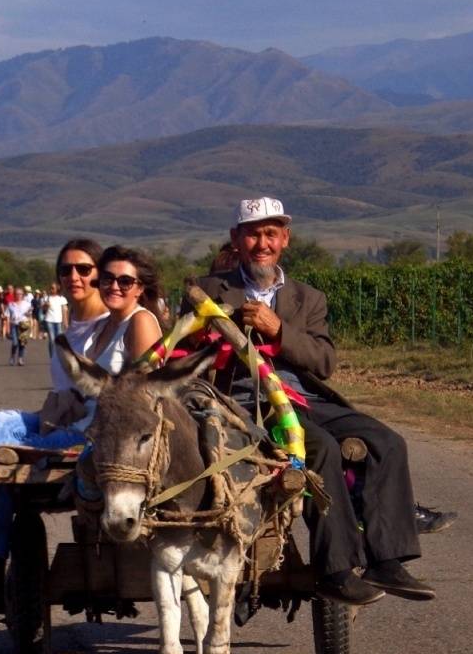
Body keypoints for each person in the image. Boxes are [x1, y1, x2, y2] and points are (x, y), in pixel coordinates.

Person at [186, 196, 436, 605]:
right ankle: (335, 570)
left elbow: (323, 362)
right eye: (252, 234)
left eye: (270, 234)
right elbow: (191, 350)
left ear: (285, 239)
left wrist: (279, 330)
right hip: (245, 403)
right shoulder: (209, 289)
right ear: (236, 238)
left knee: (388, 443)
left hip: (302, 397)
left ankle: (386, 560)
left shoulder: (307, 298)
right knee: (320, 449)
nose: (261, 243)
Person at [0, 241, 160, 632]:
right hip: (80, 427)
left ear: (140, 285)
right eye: (107, 277)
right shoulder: (102, 325)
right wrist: (65, 404)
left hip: (106, 442)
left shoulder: (137, 321)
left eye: (120, 279)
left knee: (2, 460)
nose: (109, 284)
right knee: (4, 430)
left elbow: (140, 394)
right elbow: (82, 391)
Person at [42, 282, 68, 359]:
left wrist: (65, 321)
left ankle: (58, 356)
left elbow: (64, 310)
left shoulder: (62, 299)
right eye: (51, 288)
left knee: (59, 340)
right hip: (49, 320)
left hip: (58, 321)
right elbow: (43, 309)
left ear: (57, 289)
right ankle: (52, 357)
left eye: (53, 288)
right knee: (52, 339)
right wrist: (45, 305)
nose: (51, 289)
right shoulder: (47, 298)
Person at [6, 289, 32, 366]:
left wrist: (30, 325)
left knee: (22, 343)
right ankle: (12, 356)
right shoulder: (11, 304)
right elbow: (7, 316)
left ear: (22, 295)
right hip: (14, 325)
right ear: (14, 295)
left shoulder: (27, 304)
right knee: (15, 343)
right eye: (17, 294)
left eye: (20, 294)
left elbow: (30, 315)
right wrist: (7, 328)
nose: (18, 295)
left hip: (24, 325)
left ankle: (20, 358)